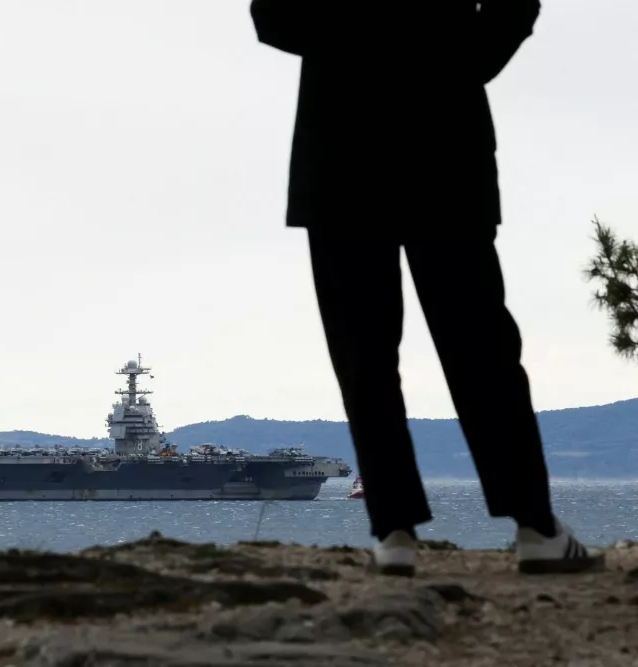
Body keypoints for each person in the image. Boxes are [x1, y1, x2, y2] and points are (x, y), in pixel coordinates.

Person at [249, 0, 603, 575]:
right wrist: (456, 60)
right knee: (481, 347)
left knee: (364, 355)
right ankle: (535, 526)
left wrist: (357, 42)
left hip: (340, 150)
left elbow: (273, 15)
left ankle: (394, 531)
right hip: (446, 146)